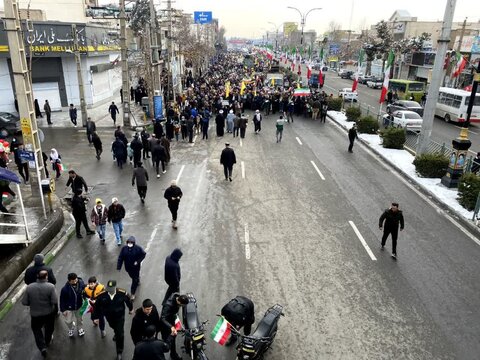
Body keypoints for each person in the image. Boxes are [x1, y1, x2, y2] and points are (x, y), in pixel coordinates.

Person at [93, 280, 133, 360]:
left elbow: (128, 301)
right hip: (109, 316)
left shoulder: (121, 293)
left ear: (115, 287)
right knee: (112, 326)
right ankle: (116, 331)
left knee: (120, 333)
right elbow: (96, 306)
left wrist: (130, 309)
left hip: (120, 316)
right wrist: (96, 317)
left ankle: (119, 351)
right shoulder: (102, 295)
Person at [21, 270, 58, 358]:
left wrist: (33, 303)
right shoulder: (51, 286)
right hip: (48, 313)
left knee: (37, 330)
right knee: (49, 328)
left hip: (35, 315)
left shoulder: (29, 287)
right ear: (46, 277)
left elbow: (24, 302)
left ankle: (42, 347)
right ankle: (47, 341)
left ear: (37, 276)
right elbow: (54, 301)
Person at [160, 293, 189, 360]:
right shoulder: (168, 306)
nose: (181, 307)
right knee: (170, 340)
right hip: (166, 325)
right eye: (181, 305)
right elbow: (163, 318)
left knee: (173, 338)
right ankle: (172, 354)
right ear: (178, 302)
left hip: (172, 319)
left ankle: (173, 353)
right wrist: (171, 327)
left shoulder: (177, 296)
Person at [117, 236, 146, 300]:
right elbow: (120, 258)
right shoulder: (124, 249)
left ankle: (133, 293)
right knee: (132, 276)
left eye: (131, 242)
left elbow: (143, 254)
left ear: (134, 243)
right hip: (128, 268)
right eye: (128, 242)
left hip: (136, 267)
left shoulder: (138, 248)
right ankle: (137, 279)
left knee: (134, 280)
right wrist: (119, 267)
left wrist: (138, 261)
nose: (130, 243)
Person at [59, 273, 85, 337]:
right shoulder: (64, 289)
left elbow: (85, 290)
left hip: (79, 306)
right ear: (69, 281)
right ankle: (71, 328)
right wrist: (63, 310)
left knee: (79, 319)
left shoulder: (81, 282)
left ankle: (80, 328)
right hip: (68, 308)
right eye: (73, 281)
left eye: (76, 279)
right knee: (68, 321)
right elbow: (62, 300)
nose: (75, 281)